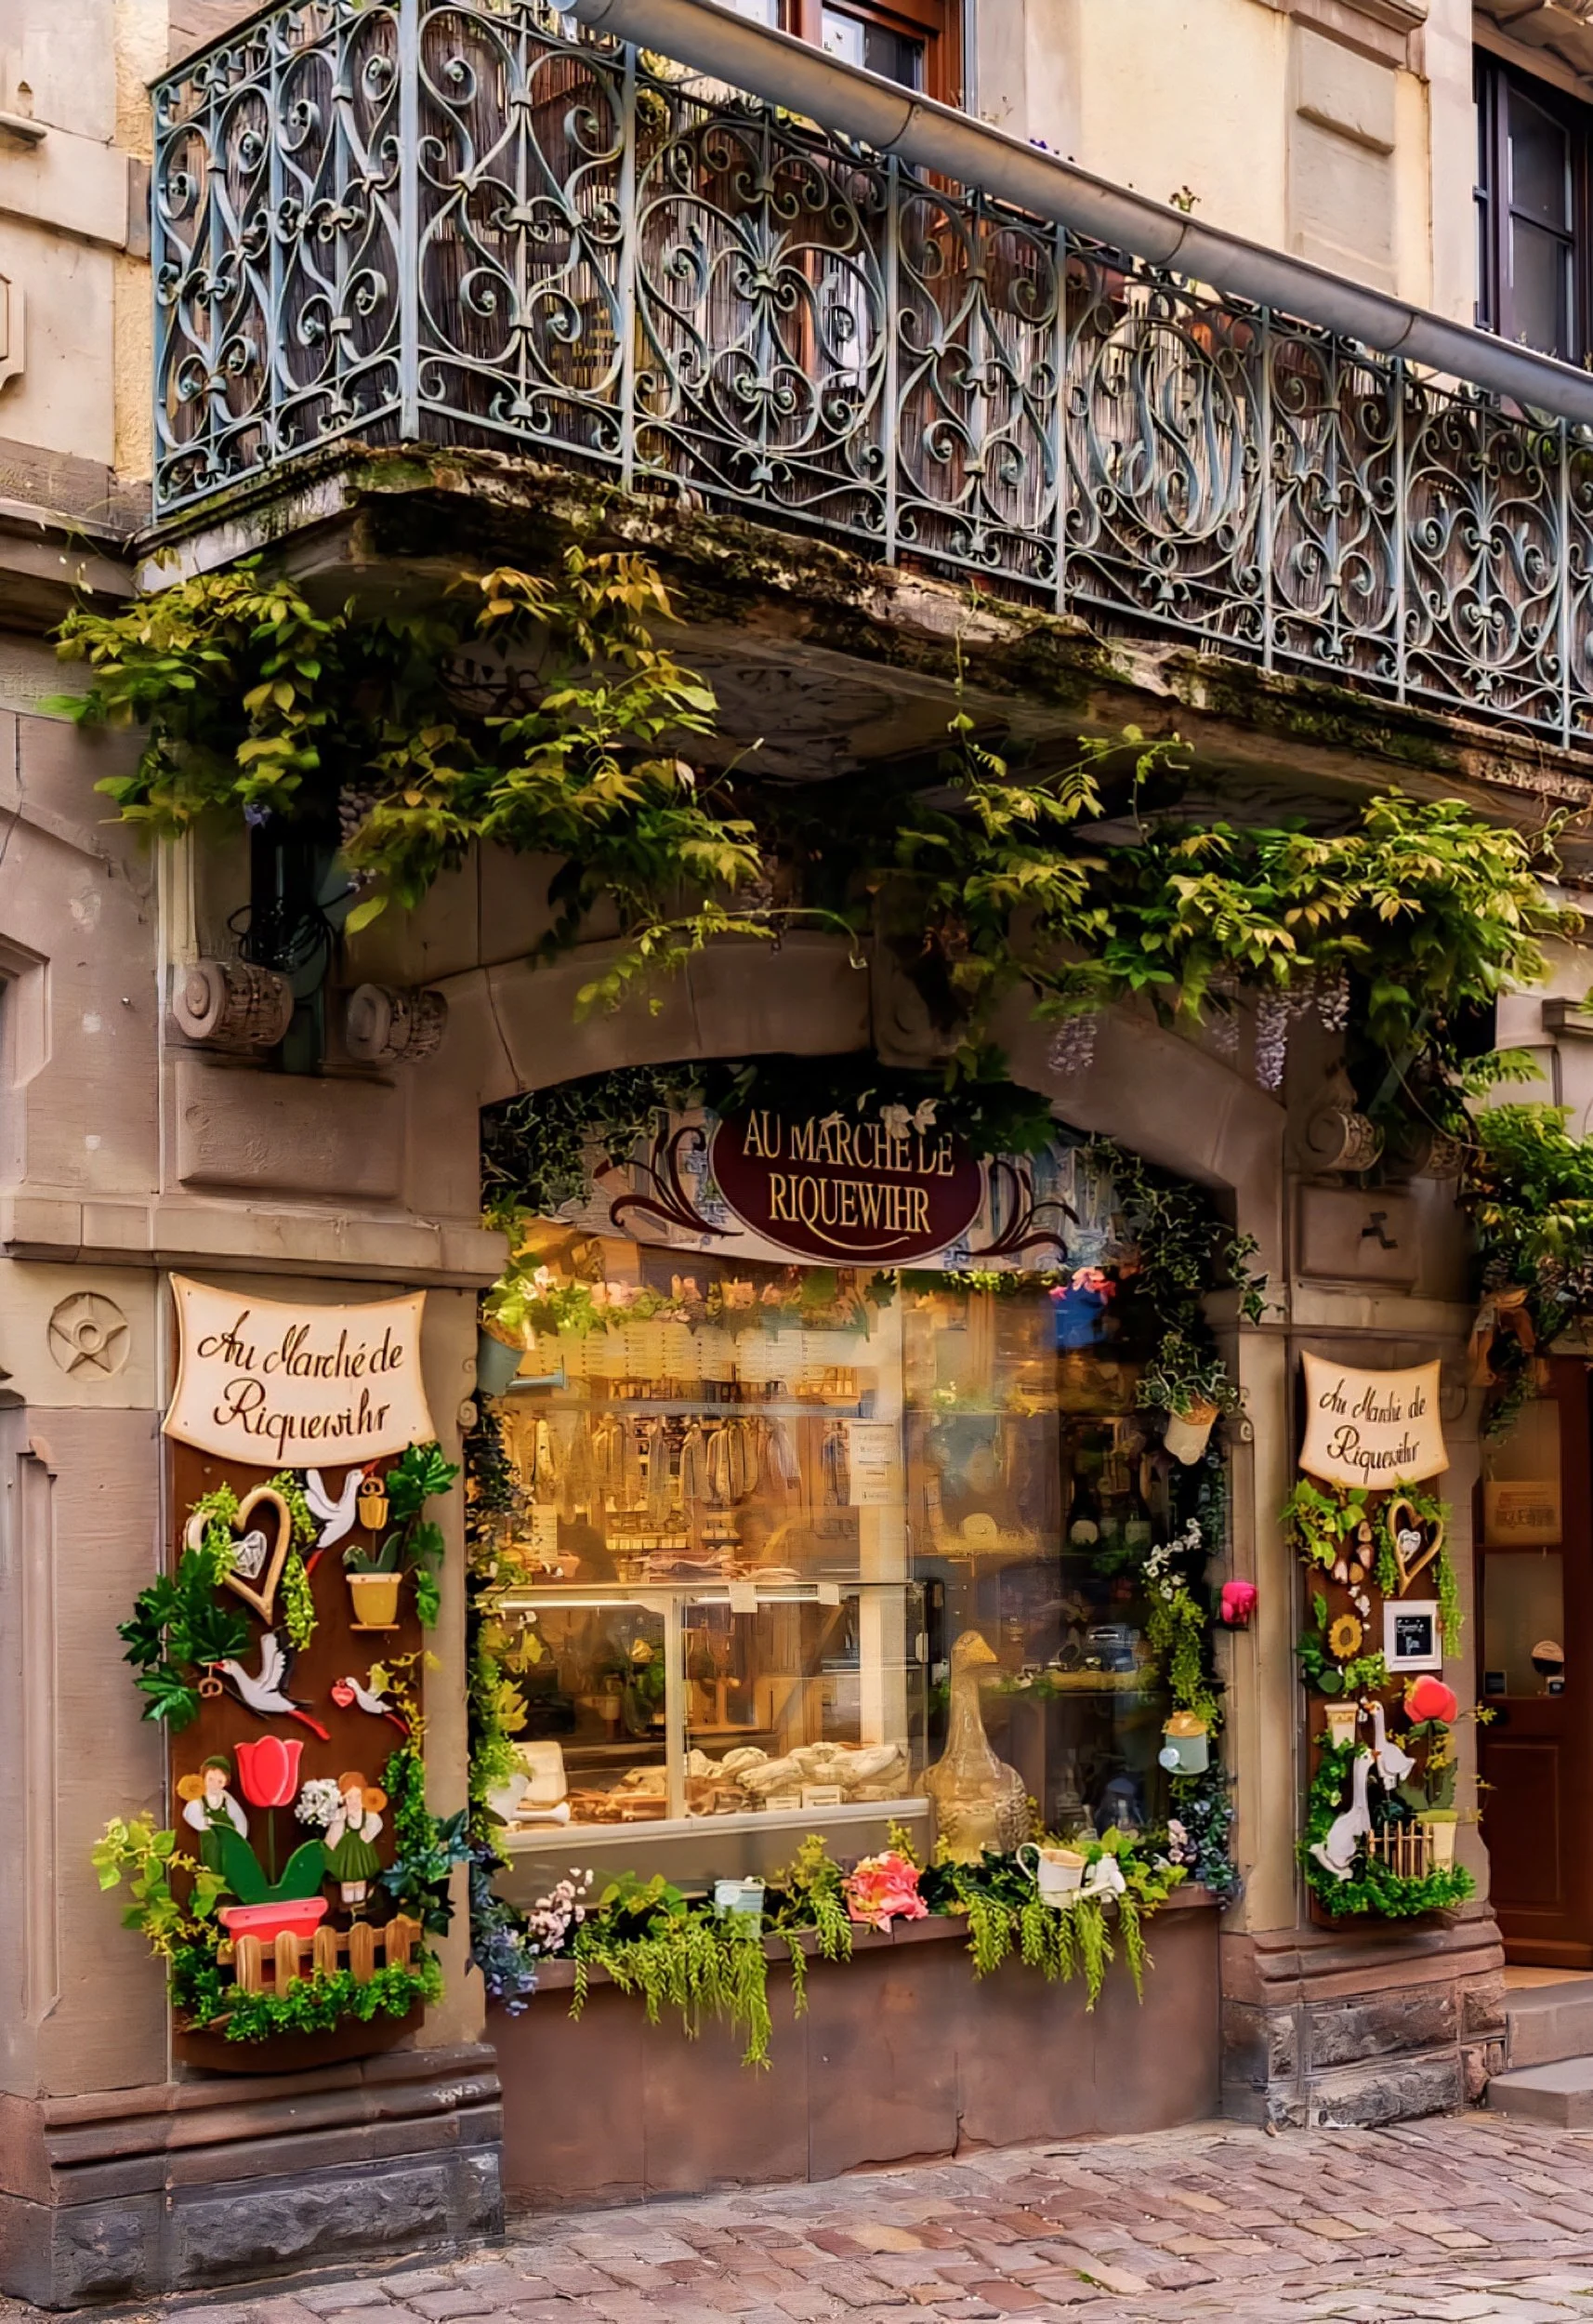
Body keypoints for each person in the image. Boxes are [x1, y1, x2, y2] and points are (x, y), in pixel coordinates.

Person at [322, 1772, 387, 1908]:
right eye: (350, 1797)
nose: (354, 1801)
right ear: (343, 1798)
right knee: (348, 1882)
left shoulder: (367, 1814)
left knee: (360, 1881)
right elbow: (334, 1833)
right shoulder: (341, 1815)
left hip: (361, 1855)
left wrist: (367, 1834)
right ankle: (347, 1904)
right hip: (347, 1855)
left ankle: (360, 1904)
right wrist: (331, 1845)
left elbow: (377, 1824)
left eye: (358, 1796)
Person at [176, 1755, 248, 1873]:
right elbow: (190, 1813)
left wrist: (240, 1837)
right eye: (210, 1779)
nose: (214, 1784)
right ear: (203, 1777)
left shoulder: (226, 1798)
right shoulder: (199, 1798)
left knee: (231, 1866)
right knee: (213, 1865)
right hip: (211, 1842)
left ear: (226, 1782)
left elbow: (239, 1817)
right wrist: (206, 1822)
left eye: (220, 1781)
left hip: (229, 1840)